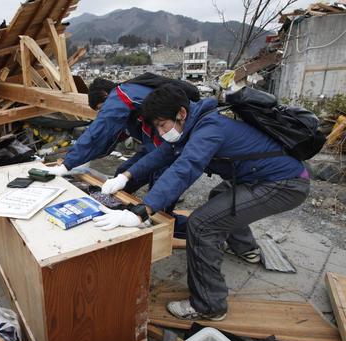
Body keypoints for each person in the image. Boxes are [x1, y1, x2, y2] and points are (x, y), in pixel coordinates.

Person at [93, 85, 310, 321]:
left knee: (203, 224)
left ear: (181, 114)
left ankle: (209, 305)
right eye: (156, 126)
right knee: (220, 200)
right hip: (260, 178)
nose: (160, 131)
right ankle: (247, 249)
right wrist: (126, 176)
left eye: (162, 124)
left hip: (284, 184)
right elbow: (162, 154)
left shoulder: (209, 129)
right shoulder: (193, 124)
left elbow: (185, 169)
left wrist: (141, 211)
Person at [47, 75, 198, 195]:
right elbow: (106, 142)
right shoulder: (128, 111)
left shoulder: (122, 93)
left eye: (102, 108)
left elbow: (101, 128)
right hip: (153, 145)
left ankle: (157, 221)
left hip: (167, 146)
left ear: (107, 95)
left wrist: (68, 163)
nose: (103, 112)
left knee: (158, 192)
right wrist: (76, 160)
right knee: (122, 176)